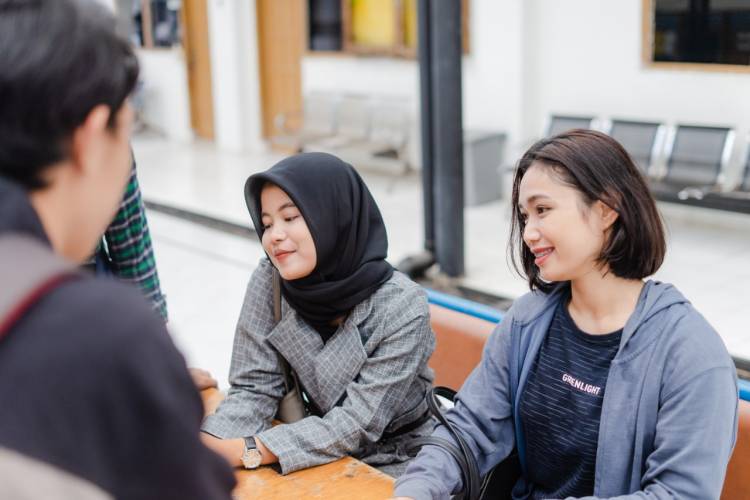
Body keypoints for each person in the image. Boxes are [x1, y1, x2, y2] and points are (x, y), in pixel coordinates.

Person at [393, 130, 738, 499]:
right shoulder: (528, 320)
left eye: (543, 210)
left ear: (607, 209)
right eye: (525, 216)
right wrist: (418, 486)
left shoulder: (691, 355)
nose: (528, 233)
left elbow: (679, 493)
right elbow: (471, 426)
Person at [0, 0, 234, 498]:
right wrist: (146, 369)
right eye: (126, 132)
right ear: (91, 137)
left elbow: (135, 254)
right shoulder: (101, 336)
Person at [200, 152, 436, 478]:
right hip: (311, 447)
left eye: (291, 217)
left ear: (333, 215)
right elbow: (254, 387)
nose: (274, 236)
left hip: (404, 460)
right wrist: (206, 444)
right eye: (266, 223)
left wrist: (250, 449)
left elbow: (357, 422)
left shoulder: (402, 307)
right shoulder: (271, 280)